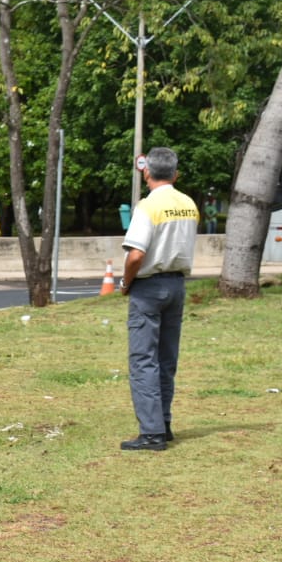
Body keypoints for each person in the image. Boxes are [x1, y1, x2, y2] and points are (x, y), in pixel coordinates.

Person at [119, 147, 199, 451]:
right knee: (166, 360)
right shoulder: (189, 204)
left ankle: (151, 433)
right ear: (176, 174)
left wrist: (126, 282)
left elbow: (136, 253)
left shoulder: (148, 206)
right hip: (177, 285)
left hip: (149, 288)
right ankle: (163, 424)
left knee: (143, 361)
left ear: (146, 172)